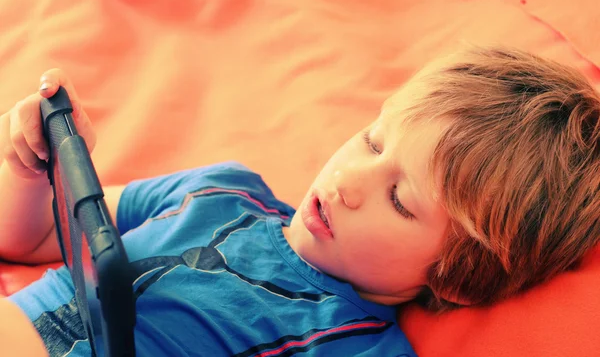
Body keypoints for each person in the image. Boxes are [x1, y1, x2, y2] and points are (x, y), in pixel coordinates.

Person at [1, 46, 600, 356]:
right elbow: (28, 238)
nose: (348, 180)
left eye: (400, 199)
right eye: (371, 140)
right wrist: (34, 168)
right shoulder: (221, 190)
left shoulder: (355, 346)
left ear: (457, 279)